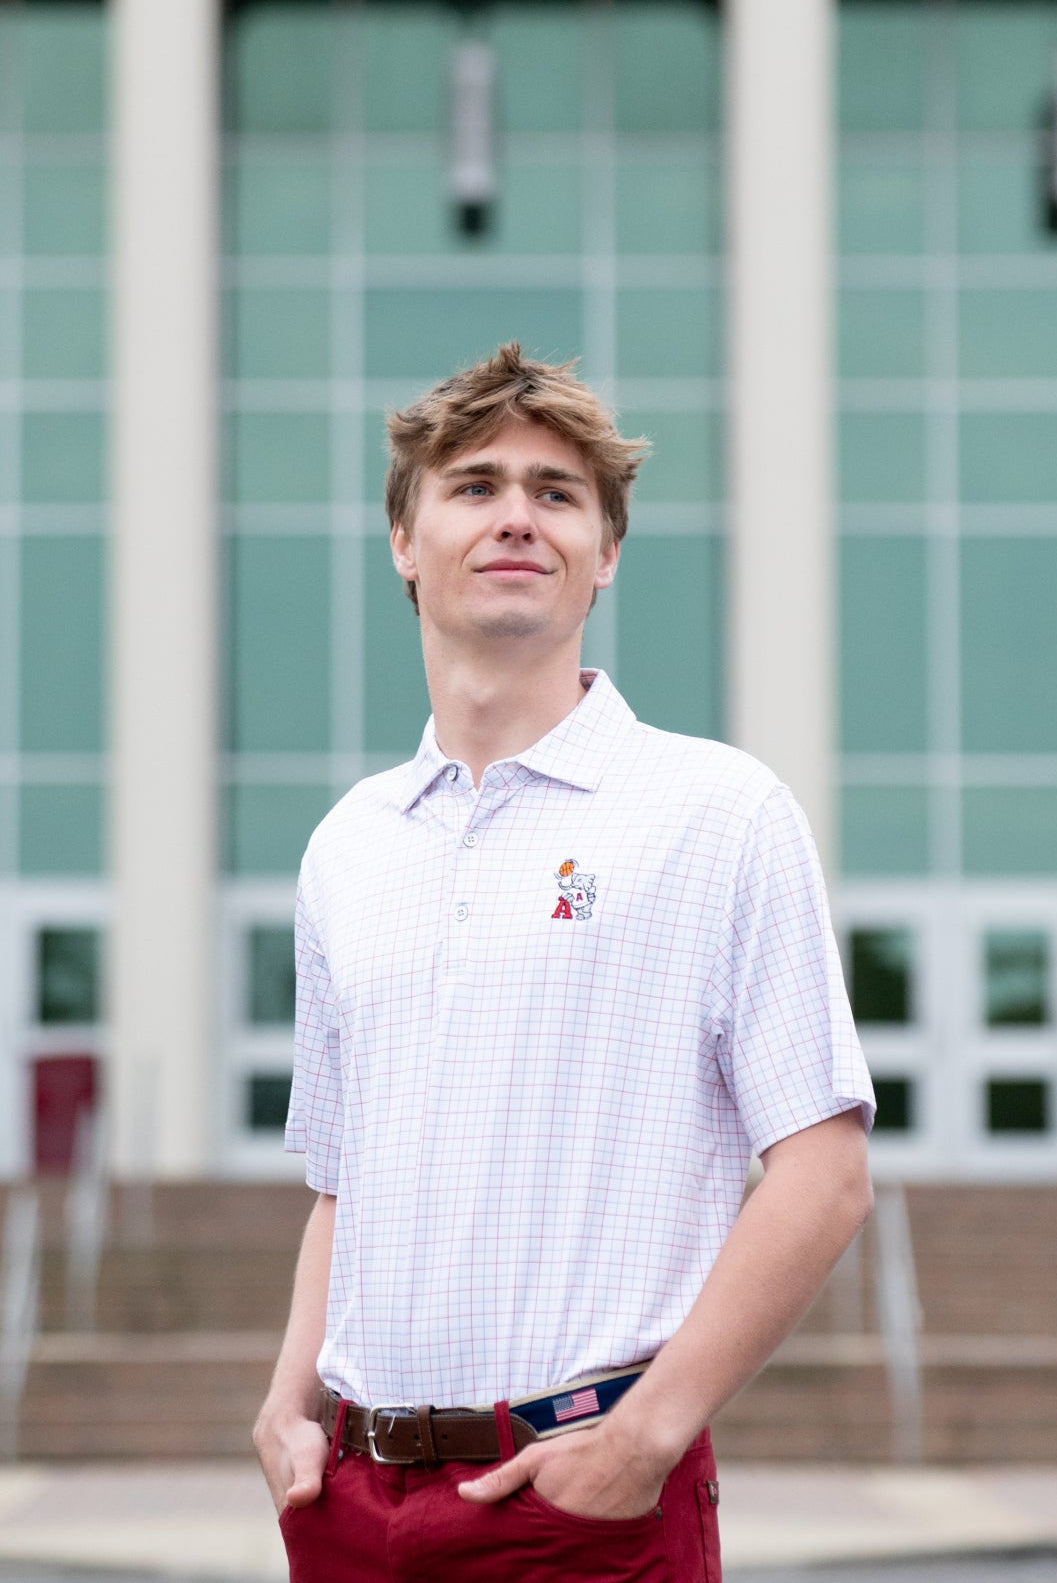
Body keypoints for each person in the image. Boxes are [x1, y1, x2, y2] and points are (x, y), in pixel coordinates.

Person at [253, 342, 875, 1583]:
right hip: (354, 1502)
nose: (515, 517)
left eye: (556, 491)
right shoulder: (347, 847)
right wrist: (287, 1405)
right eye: (473, 485)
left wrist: (645, 1433)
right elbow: (344, 1177)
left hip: (583, 1505)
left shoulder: (719, 810)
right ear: (404, 539)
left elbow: (824, 1171)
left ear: (606, 552)